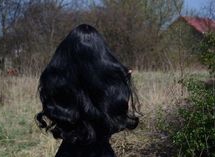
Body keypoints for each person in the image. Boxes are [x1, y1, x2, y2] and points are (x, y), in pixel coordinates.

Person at [36, 24, 140, 157]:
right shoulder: (110, 84)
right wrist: (123, 76)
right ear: (101, 55)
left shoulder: (58, 83)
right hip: (102, 151)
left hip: (69, 151)